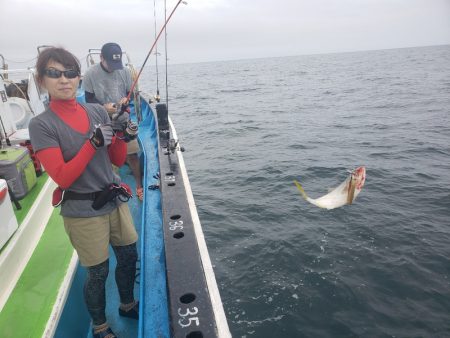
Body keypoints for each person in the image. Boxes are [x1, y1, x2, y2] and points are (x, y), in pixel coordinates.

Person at [28, 47, 139, 338]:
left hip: (114, 200)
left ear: (79, 78)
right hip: (82, 211)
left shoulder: (97, 110)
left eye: (70, 73)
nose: (63, 80)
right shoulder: (41, 125)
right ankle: (101, 327)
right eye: (54, 73)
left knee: (128, 256)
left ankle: (128, 304)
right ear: (42, 80)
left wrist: (121, 135)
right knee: (98, 272)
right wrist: (92, 142)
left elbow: (115, 159)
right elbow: (63, 177)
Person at [83, 42, 143, 201]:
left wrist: (125, 99)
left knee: (133, 154)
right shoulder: (90, 74)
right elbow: (89, 100)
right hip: (102, 122)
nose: (114, 67)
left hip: (123, 119)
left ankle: (139, 185)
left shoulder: (123, 71)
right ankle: (113, 187)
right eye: (110, 63)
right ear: (101, 58)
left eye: (117, 63)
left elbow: (127, 93)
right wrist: (104, 108)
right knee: (108, 159)